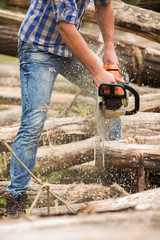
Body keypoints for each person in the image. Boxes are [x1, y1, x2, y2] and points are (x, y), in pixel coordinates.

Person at [3, 0, 124, 215]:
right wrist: (97, 72)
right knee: (34, 120)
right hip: (38, 48)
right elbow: (65, 27)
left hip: (67, 46)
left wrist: (110, 49)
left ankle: (115, 170)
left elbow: (104, 5)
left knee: (111, 94)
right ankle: (15, 197)